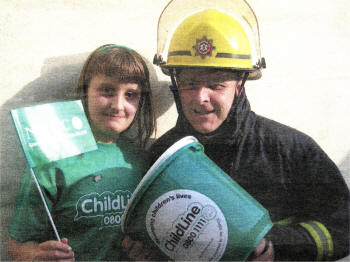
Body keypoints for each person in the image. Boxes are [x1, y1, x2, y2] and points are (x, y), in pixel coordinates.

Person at [124, 0, 349, 261]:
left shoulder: (288, 148)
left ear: (239, 86)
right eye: (189, 84)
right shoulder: (162, 157)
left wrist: (278, 246)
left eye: (216, 85)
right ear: (175, 85)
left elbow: (344, 226)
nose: (200, 98)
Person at [8, 44, 156, 261]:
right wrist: (36, 256)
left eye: (131, 94)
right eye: (107, 90)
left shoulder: (144, 163)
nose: (118, 105)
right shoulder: (51, 159)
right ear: (85, 91)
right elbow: (17, 246)